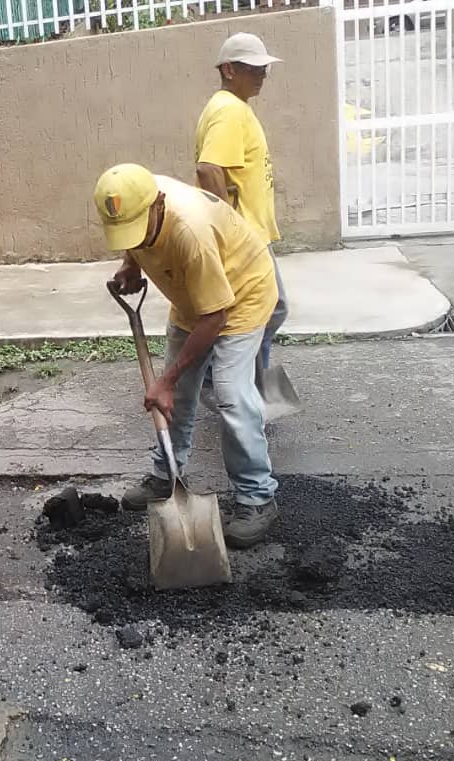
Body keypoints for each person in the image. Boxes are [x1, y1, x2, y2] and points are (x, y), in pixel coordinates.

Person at [94, 164, 279, 547]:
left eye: (139, 229)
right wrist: (131, 262)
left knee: (230, 393)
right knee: (176, 396)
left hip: (242, 293)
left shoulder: (190, 232)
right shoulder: (134, 197)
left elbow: (215, 319)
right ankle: (167, 475)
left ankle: (257, 497)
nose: (135, 237)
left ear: (159, 205)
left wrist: (167, 379)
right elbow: (136, 235)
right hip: (194, 295)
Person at [195, 32, 288, 382]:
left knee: (262, 311)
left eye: (264, 68)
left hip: (251, 231)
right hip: (245, 236)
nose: (262, 75)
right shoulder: (229, 110)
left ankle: (234, 378)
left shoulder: (234, 107)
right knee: (270, 309)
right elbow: (208, 168)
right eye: (254, 69)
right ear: (229, 69)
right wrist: (230, 228)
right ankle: (236, 381)